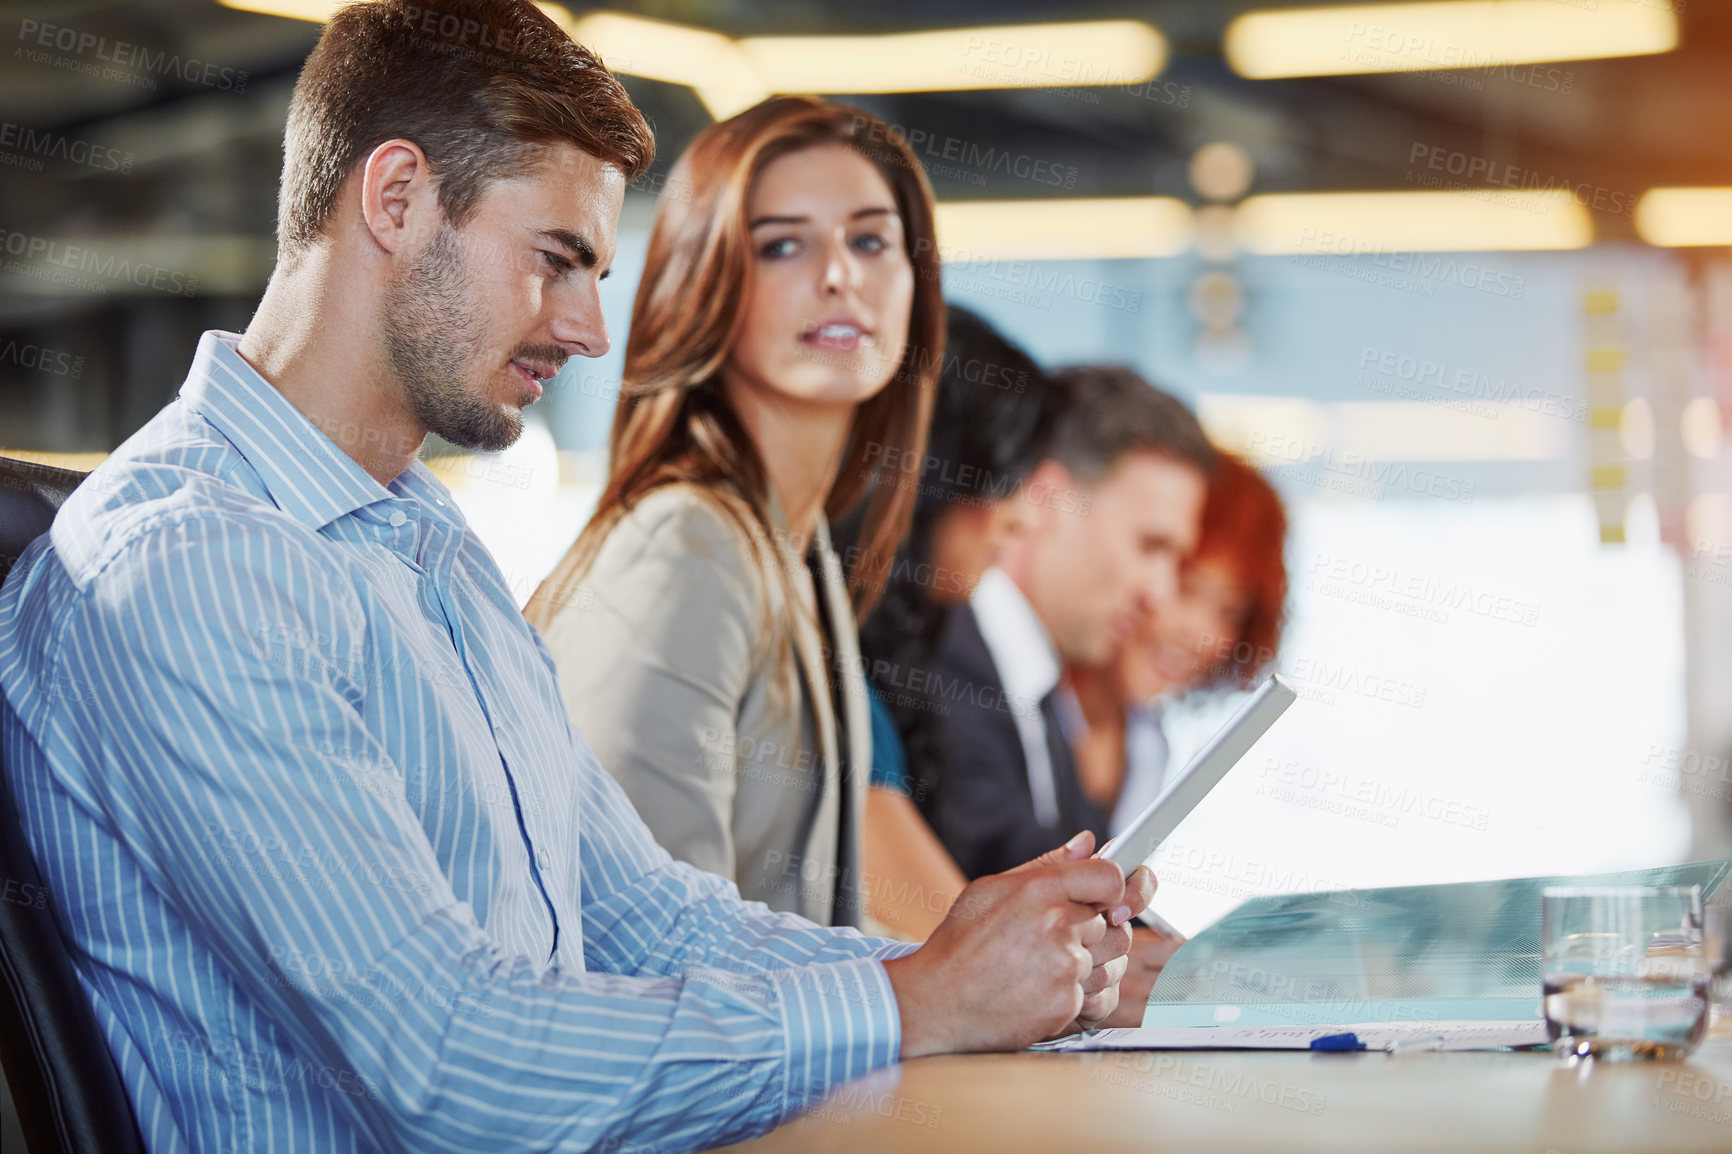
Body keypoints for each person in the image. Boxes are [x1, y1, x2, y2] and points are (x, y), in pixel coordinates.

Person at [0, 5, 1153, 1152]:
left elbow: (643, 917)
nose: (589, 328)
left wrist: (970, 969)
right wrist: (917, 1002)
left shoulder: (426, 546)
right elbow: (448, 1062)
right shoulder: (191, 567)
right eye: (555, 260)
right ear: (394, 198)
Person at [525, 96, 939, 928]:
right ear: (704, 284)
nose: (839, 275)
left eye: (870, 240)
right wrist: (939, 980)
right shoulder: (685, 544)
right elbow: (647, 943)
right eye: (783, 245)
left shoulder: (796, 546)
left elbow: (808, 928)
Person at [918, 365, 1216, 880]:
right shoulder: (936, 653)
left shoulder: (1044, 694)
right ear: (1050, 497)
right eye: (1150, 545)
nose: (1159, 593)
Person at [844, 305, 1065, 938]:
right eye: (1003, 478)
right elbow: (958, 949)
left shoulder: (890, 654)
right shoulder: (835, 669)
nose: (1020, 519)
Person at [1068, 450, 1289, 1026]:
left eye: (1229, 610)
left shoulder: (1146, 745)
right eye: (1189, 587)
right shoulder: (1011, 698)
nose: (1202, 634)